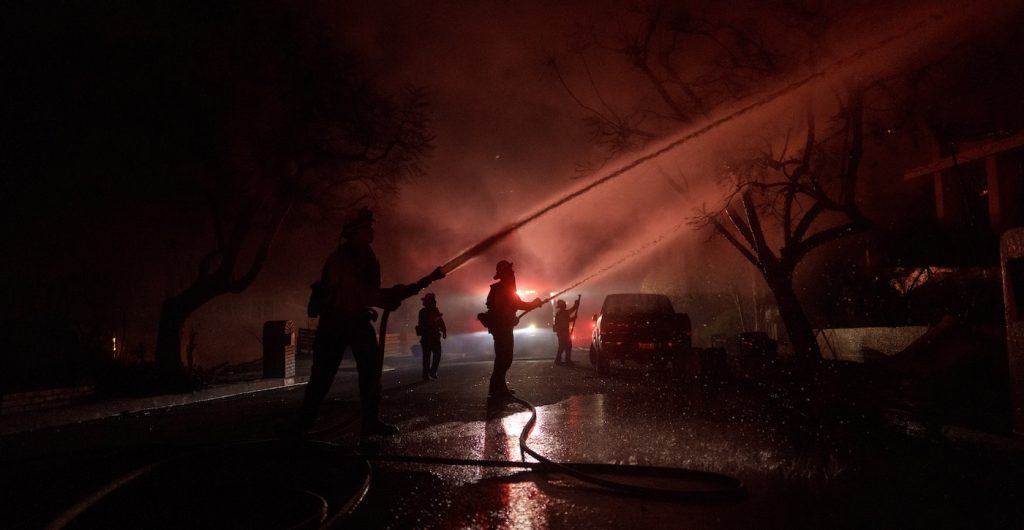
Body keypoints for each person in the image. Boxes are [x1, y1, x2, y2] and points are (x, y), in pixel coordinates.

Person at [298, 208, 426, 436]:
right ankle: (301, 426)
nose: (371, 230)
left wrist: (392, 295)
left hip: (355, 319)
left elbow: (369, 292)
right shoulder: (341, 258)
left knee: (371, 371)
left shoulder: (366, 254)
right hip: (335, 322)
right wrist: (387, 297)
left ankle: (370, 421)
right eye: (367, 227)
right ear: (354, 232)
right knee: (322, 377)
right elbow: (355, 293)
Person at [482, 260, 542, 398]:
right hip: (502, 328)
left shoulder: (502, 288)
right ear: (506, 274)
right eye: (510, 272)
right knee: (504, 358)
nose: (513, 275)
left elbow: (515, 304)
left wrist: (533, 304)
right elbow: (508, 307)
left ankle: (499, 388)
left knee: (503, 358)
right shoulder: (504, 288)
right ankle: (496, 389)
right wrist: (534, 303)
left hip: (501, 327)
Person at [416, 292, 447, 381]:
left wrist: (444, 330)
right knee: (429, 356)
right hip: (429, 337)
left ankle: (429, 373)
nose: (434, 303)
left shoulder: (433, 311)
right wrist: (443, 330)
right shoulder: (424, 312)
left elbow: (440, 322)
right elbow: (426, 324)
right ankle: (428, 373)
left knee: (432, 356)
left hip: (431, 337)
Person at [553, 297, 580, 365]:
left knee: (562, 346)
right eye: (564, 304)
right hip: (563, 333)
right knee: (567, 346)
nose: (565, 305)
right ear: (562, 306)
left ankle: (559, 360)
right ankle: (566, 360)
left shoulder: (559, 314)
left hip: (561, 333)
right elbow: (572, 310)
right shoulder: (564, 313)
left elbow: (566, 320)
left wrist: (573, 318)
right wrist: (576, 305)